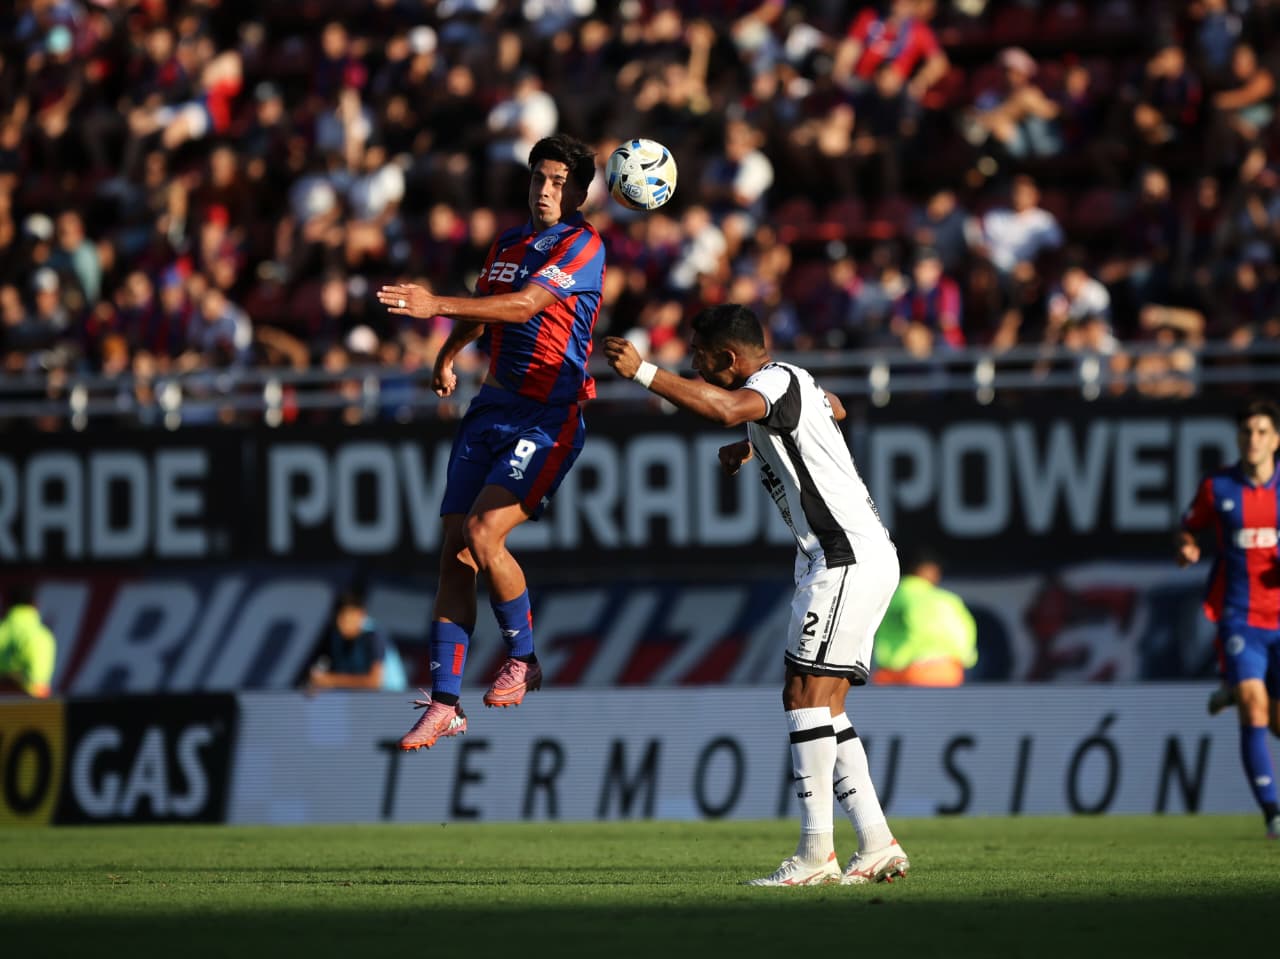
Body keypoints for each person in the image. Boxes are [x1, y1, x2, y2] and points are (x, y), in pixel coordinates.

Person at [602, 304, 908, 887]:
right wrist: (758, 444)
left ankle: (816, 853)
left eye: (699, 363)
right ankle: (876, 842)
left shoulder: (772, 381)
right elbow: (832, 408)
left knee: (801, 694)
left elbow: (722, 407)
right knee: (825, 704)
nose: (695, 370)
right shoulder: (793, 381)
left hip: (843, 556)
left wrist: (645, 373)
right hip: (857, 555)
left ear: (729, 360)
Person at [376, 134, 604, 751]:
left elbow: (526, 305)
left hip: (547, 415)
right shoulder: (507, 243)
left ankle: (524, 658)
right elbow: (486, 309)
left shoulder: (583, 245)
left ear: (580, 192)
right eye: (539, 178)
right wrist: (451, 350)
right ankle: (445, 704)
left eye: (560, 182)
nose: (547, 190)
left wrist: (432, 307)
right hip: (491, 409)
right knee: (454, 548)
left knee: (483, 532)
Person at [1177, 398, 1280, 839]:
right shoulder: (1218, 487)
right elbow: (1189, 525)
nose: (1252, 440)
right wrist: (1187, 546)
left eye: (1261, 432)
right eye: (1245, 432)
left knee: (1276, 721)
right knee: (1255, 705)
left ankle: (1231, 691)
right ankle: (1273, 812)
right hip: (1239, 618)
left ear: (1276, 438)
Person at [873, 550, 977, 686]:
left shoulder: (888, 598)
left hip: (895, 674)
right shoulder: (947, 600)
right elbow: (963, 638)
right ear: (928, 569)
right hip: (941, 672)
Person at [307, 590, 407, 693]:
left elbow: (375, 682)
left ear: (361, 615)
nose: (341, 624)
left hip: (389, 699)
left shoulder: (373, 635)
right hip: (356, 699)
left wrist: (332, 680)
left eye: (347, 618)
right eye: (338, 618)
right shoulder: (335, 638)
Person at [0, 584, 57, 698]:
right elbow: (39, 685)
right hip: (27, 709)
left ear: (7, 604)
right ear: (35, 604)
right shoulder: (41, 636)